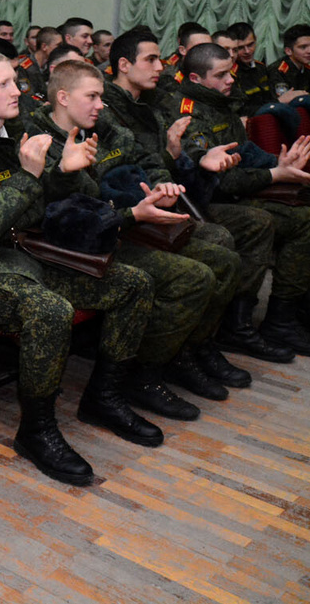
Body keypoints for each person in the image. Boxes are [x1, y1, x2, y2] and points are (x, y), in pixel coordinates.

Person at [0, 51, 156, 485]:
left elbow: (44, 210)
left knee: (132, 284)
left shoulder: (11, 139)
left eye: (15, 82)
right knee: (50, 311)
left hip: (25, 256)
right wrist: (28, 177)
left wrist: (62, 174)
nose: (16, 91)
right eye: (3, 84)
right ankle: (36, 429)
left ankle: (103, 395)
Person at [27, 60, 244, 411]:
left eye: (101, 96)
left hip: (116, 226)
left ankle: (180, 354)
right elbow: (53, 214)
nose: (101, 104)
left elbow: (140, 162)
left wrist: (157, 188)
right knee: (193, 277)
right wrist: (128, 211)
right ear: (63, 98)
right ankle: (141, 376)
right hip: (76, 246)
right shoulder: (35, 140)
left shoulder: (98, 127)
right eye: (93, 96)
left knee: (225, 261)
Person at [98, 30, 257, 387]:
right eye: (151, 60)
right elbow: (118, 178)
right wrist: (170, 165)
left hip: (158, 203)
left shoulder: (149, 108)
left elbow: (160, 171)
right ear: (123, 65)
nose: (162, 66)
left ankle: (195, 345)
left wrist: (188, 162)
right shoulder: (105, 111)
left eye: (160, 58)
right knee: (215, 245)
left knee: (223, 251)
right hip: (125, 216)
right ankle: (173, 354)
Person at [167, 42, 310, 356]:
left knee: (303, 212)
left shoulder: (221, 103)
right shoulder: (189, 115)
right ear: (195, 78)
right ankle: (239, 325)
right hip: (202, 201)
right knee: (265, 222)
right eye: (221, 75)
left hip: (231, 194)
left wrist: (278, 163)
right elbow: (223, 177)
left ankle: (285, 315)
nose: (231, 79)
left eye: (230, 72)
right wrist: (276, 175)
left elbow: (244, 152)